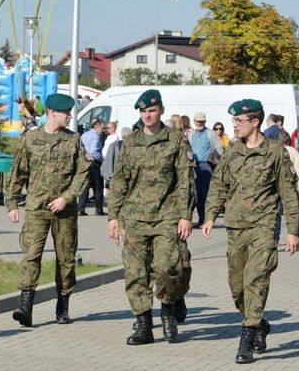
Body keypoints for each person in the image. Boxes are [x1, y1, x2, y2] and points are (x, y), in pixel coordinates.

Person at [202, 99, 299, 364]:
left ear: (255, 121)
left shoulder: (276, 153)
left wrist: (293, 230)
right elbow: (218, 186)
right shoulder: (232, 153)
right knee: (237, 287)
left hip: (264, 227)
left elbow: (288, 193)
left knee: (255, 280)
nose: (234, 126)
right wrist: (210, 215)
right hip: (235, 227)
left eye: (239, 121)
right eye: (233, 121)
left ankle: (245, 339)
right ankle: (259, 324)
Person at [108, 89, 195, 345]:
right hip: (134, 218)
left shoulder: (176, 140)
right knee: (135, 273)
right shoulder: (130, 143)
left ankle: (168, 307)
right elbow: (119, 181)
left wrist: (185, 215)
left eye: (152, 110)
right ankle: (144, 325)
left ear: (161, 111)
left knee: (169, 269)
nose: (148, 115)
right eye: (144, 111)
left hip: (167, 216)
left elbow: (185, 180)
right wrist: (113, 216)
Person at [5, 93, 90, 327]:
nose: (69, 116)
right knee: (31, 256)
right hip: (37, 208)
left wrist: (67, 197)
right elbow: (18, 173)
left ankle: (63, 306)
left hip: (64, 211)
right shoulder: (30, 139)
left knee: (66, 260)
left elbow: (82, 174)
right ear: (52, 113)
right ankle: (25, 306)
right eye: (66, 113)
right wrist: (12, 203)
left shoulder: (73, 141)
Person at [188, 112, 223, 228]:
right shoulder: (191, 134)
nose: (199, 123)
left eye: (202, 121)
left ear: (205, 121)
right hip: (193, 166)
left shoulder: (210, 133)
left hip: (206, 165)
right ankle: (201, 219)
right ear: (194, 121)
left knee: (206, 194)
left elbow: (219, 150)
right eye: (198, 121)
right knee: (197, 195)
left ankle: (207, 220)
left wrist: (218, 166)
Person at [78, 120, 106, 216]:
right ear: (97, 127)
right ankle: (98, 210)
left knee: (85, 187)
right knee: (98, 188)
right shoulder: (95, 136)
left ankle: (81, 209)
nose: (103, 131)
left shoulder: (84, 135)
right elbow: (93, 151)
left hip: (85, 163)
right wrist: (101, 159)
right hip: (94, 163)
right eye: (102, 128)